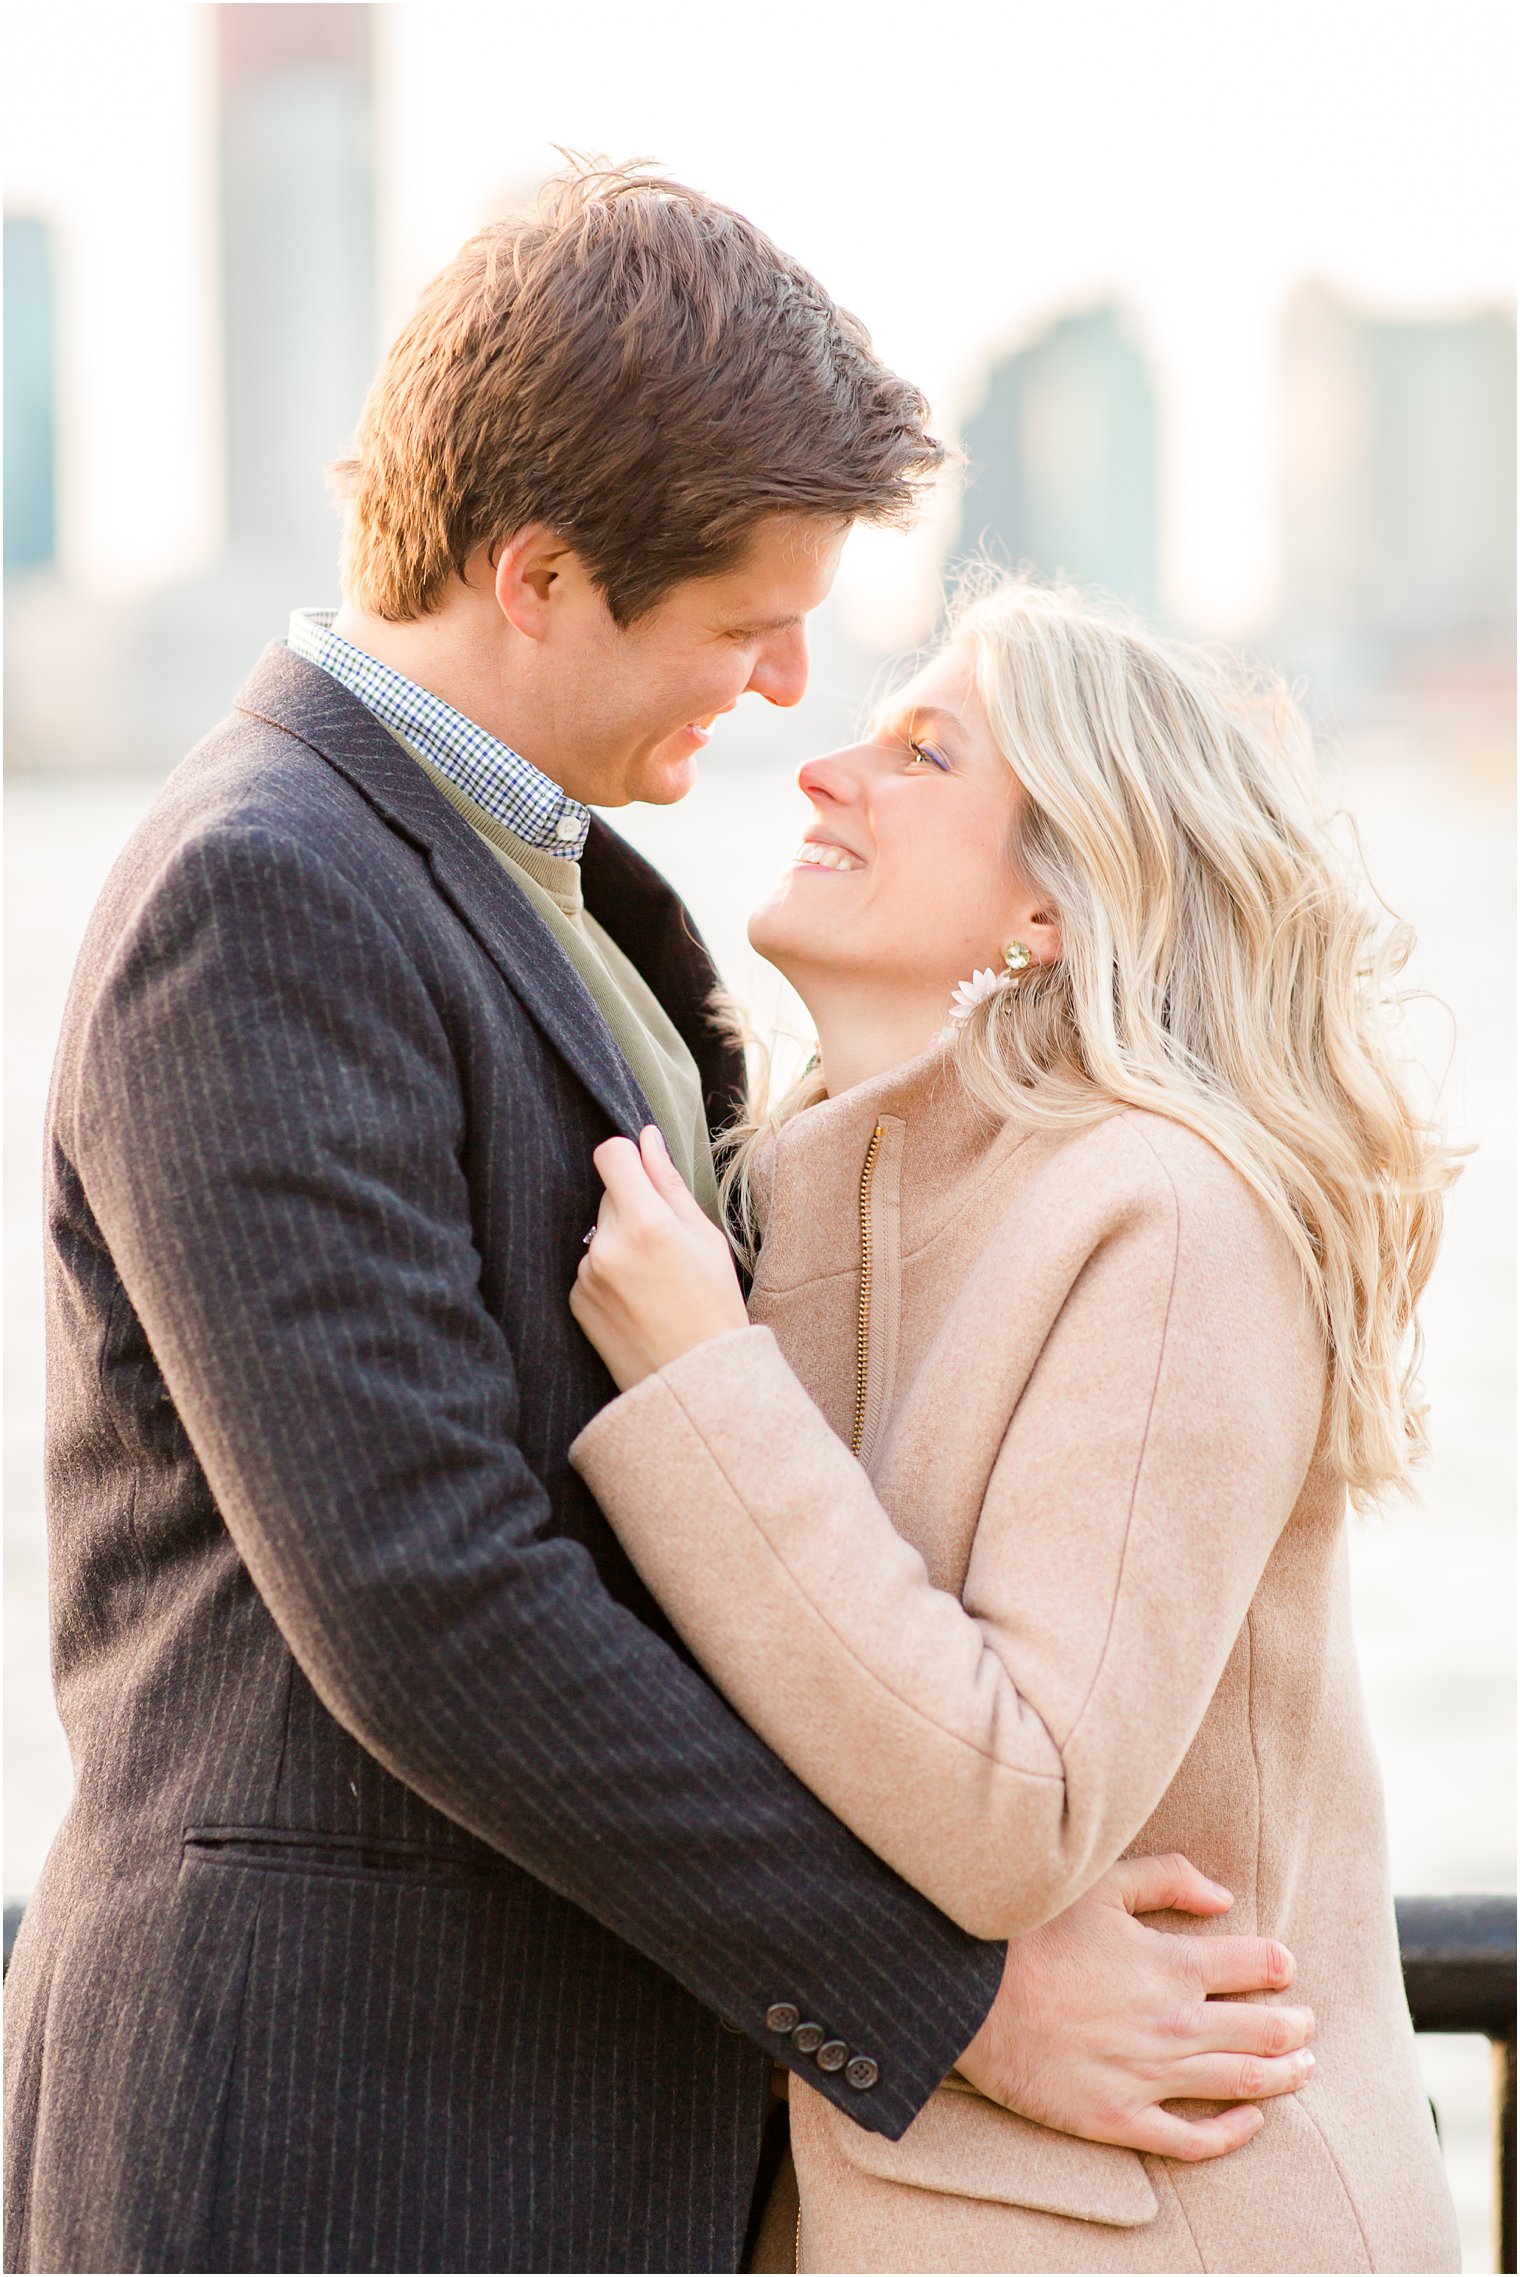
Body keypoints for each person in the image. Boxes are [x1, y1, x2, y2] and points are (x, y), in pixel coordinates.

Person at [4, 171, 1311, 2277]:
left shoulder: (578, 897)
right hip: (340, 2138)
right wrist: (947, 1995)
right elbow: (430, 1594)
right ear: (536, 573)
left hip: (570, 2137)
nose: (790, 682)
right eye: (742, 623)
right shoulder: (263, 896)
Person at [568, 576, 1465, 2272]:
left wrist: (700, 1387)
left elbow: (1021, 1799)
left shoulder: (1168, 1212)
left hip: (1179, 2226)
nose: (825, 764)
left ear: (1057, 899)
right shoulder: (778, 1205)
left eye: (922, 751)